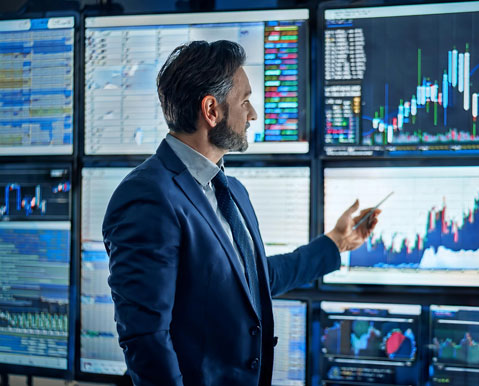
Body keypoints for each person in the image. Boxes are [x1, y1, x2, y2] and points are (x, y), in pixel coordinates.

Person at [102, 40, 380, 386]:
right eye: (245, 101)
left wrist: (336, 243)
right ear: (211, 110)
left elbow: (254, 281)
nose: (253, 114)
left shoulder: (232, 191)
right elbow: (146, 339)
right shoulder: (147, 196)